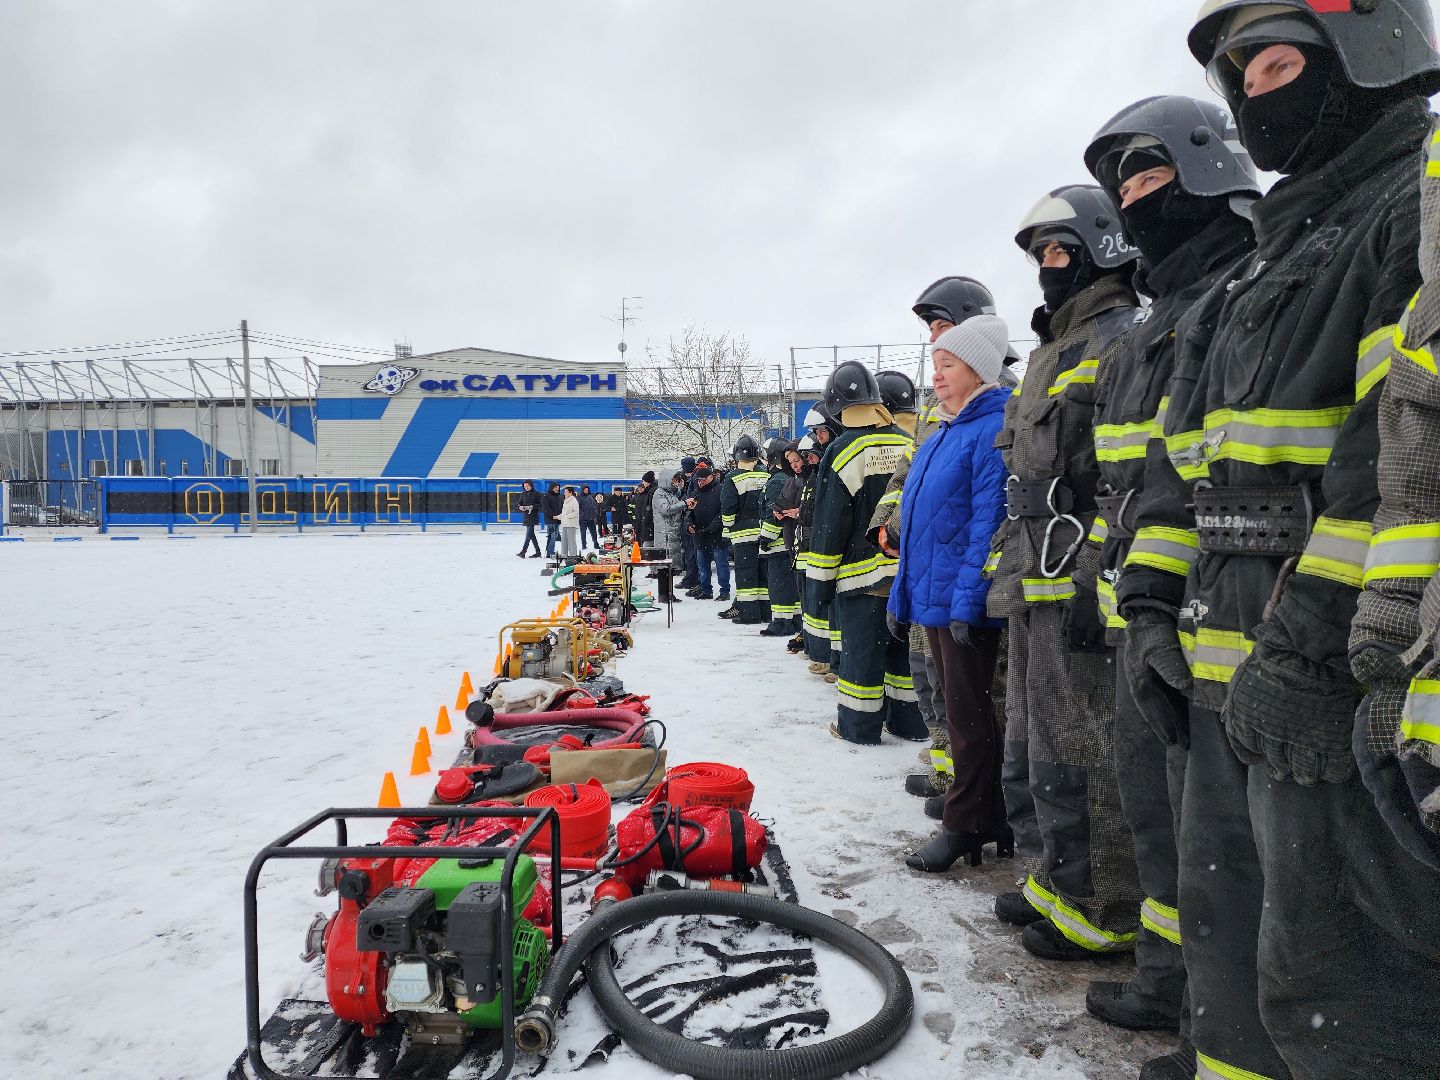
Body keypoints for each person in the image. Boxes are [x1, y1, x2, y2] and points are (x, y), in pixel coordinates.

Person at [1115, 5, 1440, 1078]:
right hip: (1222, 645)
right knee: (1226, 916)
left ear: (1371, 51)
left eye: (1278, 62)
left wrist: (1307, 652)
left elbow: (1387, 461)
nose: (1255, 94)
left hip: (1334, 662)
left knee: (1335, 978)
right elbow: (1182, 460)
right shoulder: (1263, 264)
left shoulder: (1410, 210)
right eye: (1240, 76)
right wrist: (1153, 607)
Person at [1077, 93, 1260, 1045]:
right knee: (1159, 809)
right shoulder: (1158, 316)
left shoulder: (1244, 286)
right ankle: (1172, 980)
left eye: (1151, 174)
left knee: (1224, 839)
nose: (1137, 197)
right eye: (1125, 184)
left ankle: (1217, 1017)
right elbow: (1138, 475)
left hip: (1237, 600)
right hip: (1142, 591)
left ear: (1210, 168)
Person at [986, 184, 1143, 964]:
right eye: (1038, 255)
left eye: (1057, 251)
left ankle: (1106, 905)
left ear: (1100, 247)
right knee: (1038, 737)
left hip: (1077, 578)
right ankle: (1059, 878)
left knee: (1090, 747)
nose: (1045, 269)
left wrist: (1094, 575)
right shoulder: (1054, 348)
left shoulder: (1118, 338)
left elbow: (1125, 474)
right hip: (1033, 573)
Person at [887, 315, 1012, 871]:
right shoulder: (945, 431)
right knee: (959, 711)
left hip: (962, 602)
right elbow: (917, 526)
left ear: (979, 370)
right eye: (934, 365)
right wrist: (900, 597)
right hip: (934, 597)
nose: (935, 376)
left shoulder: (989, 430)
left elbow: (988, 522)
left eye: (948, 365)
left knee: (969, 716)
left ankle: (968, 824)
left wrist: (969, 601)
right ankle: (985, 812)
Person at [805, 360, 925, 744]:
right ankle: (911, 724)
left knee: (862, 658)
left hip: (861, 581)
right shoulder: (910, 443)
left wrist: (818, 587)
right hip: (907, 577)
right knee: (904, 657)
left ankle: (857, 729)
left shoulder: (841, 451)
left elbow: (829, 528)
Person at [798, 405, 846, 677]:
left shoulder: (839, 454)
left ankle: (836, 662)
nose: (817, 437)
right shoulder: (826, 459)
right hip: (824, 545)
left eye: (820, 431)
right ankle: (831, 659)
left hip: (841, 548)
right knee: (829, 611)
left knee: (836, 612)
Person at [718, 435, 770, 623]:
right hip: (765, 532)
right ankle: (766, 613)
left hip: (743, 535)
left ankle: (749, 614)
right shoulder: (767, 474)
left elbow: (728, 507)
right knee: (763, 576)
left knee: (746, 576)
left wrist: (727, 528)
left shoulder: (733, 477)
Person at [759, 437, 801, 637]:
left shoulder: (777, 480)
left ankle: (781, 623)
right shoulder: (787, 478)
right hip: (787, 541)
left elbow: (774, 510)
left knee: (779, 584)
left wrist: (765, 537)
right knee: (790, 585)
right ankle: (793, 621)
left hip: (777, 544)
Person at [686, 463, 729, 601]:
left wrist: (713, 526)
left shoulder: (721, 490)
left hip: (717, 534)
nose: (700, 482)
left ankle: (724, 591)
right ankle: (706, 590)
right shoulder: (695, 493)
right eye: (698, 480)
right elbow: (688, 512)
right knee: (703, 566)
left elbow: (724, 511)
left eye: (703, 479)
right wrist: (690, 524)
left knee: (721, 565)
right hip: (700, 535)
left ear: (711, 477)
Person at [650, 472, 688, 603]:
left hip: (671, 533)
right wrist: (684, 504)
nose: (676, 482)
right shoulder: (659, 493)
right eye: (675, 480)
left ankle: (669, 593)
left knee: (670, 566)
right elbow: (666, 510)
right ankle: (663, 595)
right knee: (663, 566)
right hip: (664, 534)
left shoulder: (672, 494)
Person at [678, 456, 702, 592]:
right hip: (690, 518)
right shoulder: (692, 478)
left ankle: (692, 579)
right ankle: (692, 578)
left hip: (690, 518)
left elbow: (690, 498)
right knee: (690, 551)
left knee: (691, 551)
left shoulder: (692, 479)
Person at [516, 480, 542, 558]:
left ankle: (523, 551)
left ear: (531, 486)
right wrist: (520, 507)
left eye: (528, 486)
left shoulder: (537, 494)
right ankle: (538, 552)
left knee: (528, 535)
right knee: (531, 535)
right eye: (525, 487)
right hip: (526, 516)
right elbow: (518, 504)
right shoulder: (523, 494)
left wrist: (532, 506)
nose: (526, 488)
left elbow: (541, 505)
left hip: (533, 516)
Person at [632, 471, 657, 546]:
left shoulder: (651, 491)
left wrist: (645, 518)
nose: (643, 483)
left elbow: (649, 508)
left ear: (648, 482)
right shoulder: (642, 494)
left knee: (647, 542)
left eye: (644, 481)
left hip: (649, 521)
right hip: (641, 519)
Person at [542, 481, 564, 558]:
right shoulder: (546, 496)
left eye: (558, 488)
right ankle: (550, 552)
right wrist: (553, 516)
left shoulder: (559, 496)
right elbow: (546, 508)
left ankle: (549, 551)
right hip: (550, 520)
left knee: (555, 535)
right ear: (551, 487)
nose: (557, 489)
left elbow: (561, 506)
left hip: (558, 519)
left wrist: (560, 516)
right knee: (552, 536)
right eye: (555, 487)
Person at [559, 486, 580, 558]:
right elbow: (564, 513)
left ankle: (573, 555)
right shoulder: (566, 501)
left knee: (571, 541)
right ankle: (564, 555)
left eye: (565, 492)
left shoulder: (574, 501)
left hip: (571, 524)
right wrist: (558, 517)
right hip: (565, 524)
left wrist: (567, 516)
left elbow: (576, 512)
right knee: (564, 541)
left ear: (570, 493)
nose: (564, 493)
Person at [577, 484, 599, 550]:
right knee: (583, 533)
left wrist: (594, 514)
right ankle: (584, 545)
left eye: (587, 489)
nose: (586, 490)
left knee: (594, 532)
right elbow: (577, 508)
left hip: (591, 519)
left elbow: (593, 506)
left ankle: (596, 544)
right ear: (582, 490)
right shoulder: (579, 497)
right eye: (584, 489)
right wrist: (582, 514)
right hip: (583, 519)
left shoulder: (590, 496)